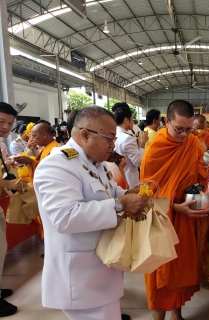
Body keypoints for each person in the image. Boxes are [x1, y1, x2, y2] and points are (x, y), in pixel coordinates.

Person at [34, 106, 149, 320]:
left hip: (99, 269)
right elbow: (65, 217)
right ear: (85, 134)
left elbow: (109, 191)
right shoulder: (57, 165)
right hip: (79, 278)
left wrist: (128, 194)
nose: (113, 145)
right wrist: (120, 205)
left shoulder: (93, 163)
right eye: (109, 138)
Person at [140, 100, 208, 320]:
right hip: (162, 218)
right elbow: (148, 193)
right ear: (166, 121)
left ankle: (177, 313)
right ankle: (158, 317)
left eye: (189, 130)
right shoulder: (155, 149)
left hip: (185, 216)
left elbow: (199, 174)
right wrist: (175, 207)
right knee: (161, 267)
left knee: (180, 268)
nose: (184, 134)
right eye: (179, 129)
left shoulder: (192, 143)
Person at [0, 102, 28, 317]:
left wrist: (8, 167)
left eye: (10, 123)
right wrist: (6, 184)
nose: (6, 127)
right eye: (2, 122)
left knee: (1, 246)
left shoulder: (1, 143)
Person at [113, 103, 148, 188]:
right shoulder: (127, 138)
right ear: (126, 120)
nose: (133, 122)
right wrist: (143, 143)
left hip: (118, 176)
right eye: (132, 119)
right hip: (130, 178)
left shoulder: (115, 134)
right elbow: (138, 162)